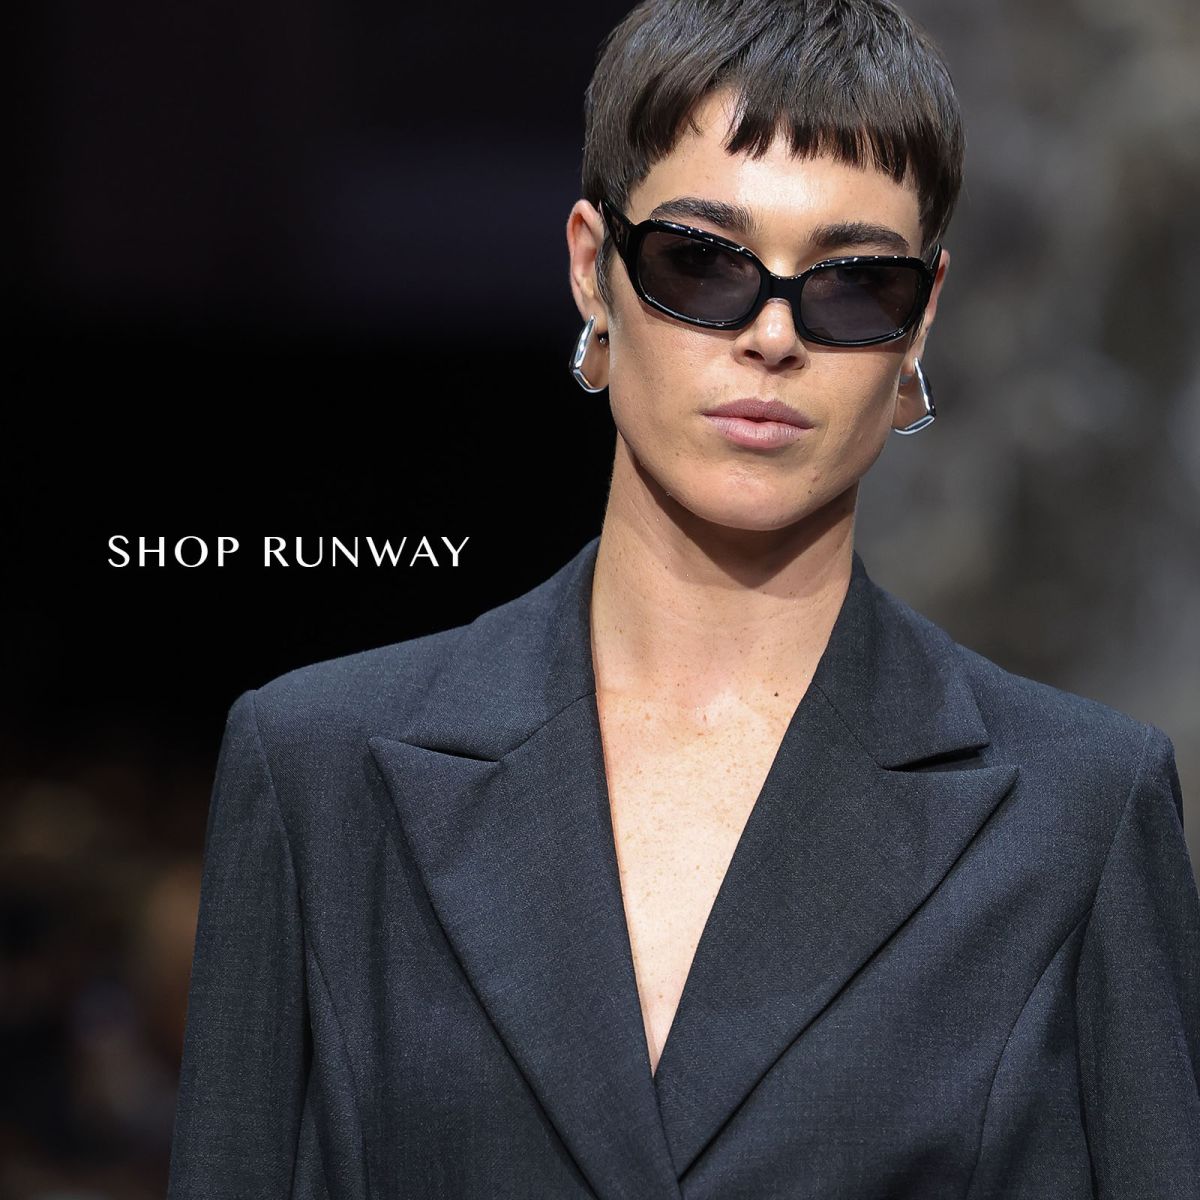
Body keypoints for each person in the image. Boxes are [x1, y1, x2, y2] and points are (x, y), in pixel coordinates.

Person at [166, 0, 1200, 1196]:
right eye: (702, 264)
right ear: (591, 269)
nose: (772, 336)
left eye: (854, 284)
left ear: (920, 319)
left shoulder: (1080, 813)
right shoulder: (318, 772)